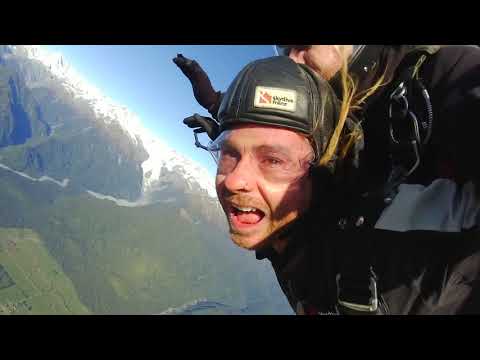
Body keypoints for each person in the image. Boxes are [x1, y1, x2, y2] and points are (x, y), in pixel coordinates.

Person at [173, 46, 480, 314]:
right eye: (283, 48)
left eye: (304, 44)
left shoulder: (445, 78)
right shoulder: (332, 118)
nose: (292, 60)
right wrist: (227, 109)